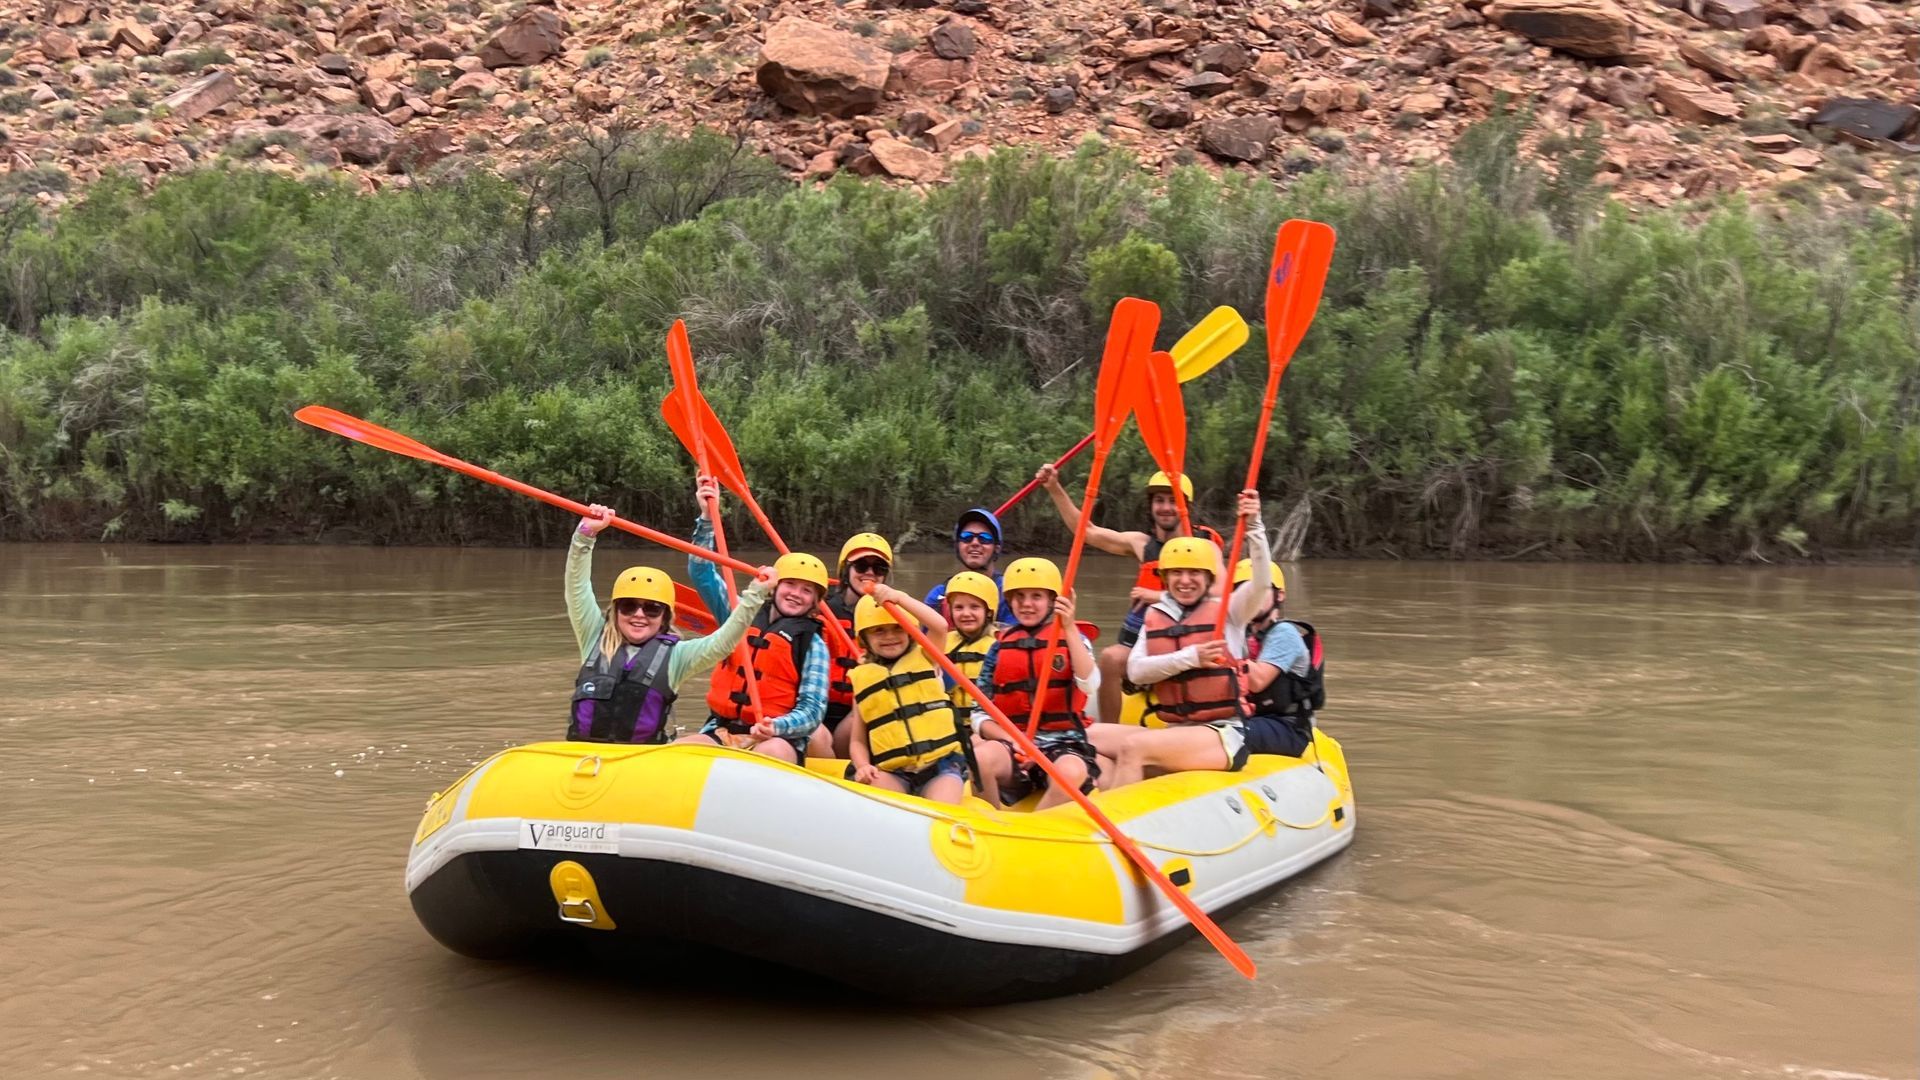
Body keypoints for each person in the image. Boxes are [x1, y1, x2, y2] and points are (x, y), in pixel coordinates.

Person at [1089, 490, 1272, 787]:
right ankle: (1096, 803)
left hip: (1221, 735)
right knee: (1089, 736)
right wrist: (1191, 658)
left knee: (1133, 748)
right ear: (1165, 577)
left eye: (1194, 573)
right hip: (1175, 730)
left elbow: (1262, 582)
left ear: (1209, 577)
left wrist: (1255, 526)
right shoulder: (1157, 615)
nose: (1184, 581)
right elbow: (1136, 670)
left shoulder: (1231, 611)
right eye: (1176, 573)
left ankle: (1119, 822)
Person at [565, 500, 777, 744]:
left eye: (652, 609)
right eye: (629, 606)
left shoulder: (677, 656)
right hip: (582, 754)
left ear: (665, 616)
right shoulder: (593, 636)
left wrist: (756, 593)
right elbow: (576, 588)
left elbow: (724, 641)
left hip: (642, 759)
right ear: (615, 611)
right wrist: (585, 535)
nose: (639, 614)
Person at [1032, 466, 1220, 725]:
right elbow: (1087, 531)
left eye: (1173, 501)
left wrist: (1160, 596)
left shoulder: (1206, 546)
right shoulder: (1141, 543)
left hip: (1193, 641)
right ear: (1151, 506)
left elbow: (1223, 591)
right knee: (1110, 658)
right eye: (1159, 501)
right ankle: (1111, 731)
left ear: (1185, 506)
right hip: (1150, 643)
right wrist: (1054, 488)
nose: (1165, 507)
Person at [674, 477, 832, 763]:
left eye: (806, 590)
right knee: (677, 752)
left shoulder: (814, 644)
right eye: (790, 585)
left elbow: (812, 711)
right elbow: (701, 572)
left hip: (776, 738)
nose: (796, 594)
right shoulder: (740, 612)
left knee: (768, 755)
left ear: (815, 601)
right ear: (775, 586)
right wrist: (708, 516)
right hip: (722, 730)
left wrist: (776, 726)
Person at [968, 557, 1102, 810]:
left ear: (1053, 600)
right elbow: (978, 712)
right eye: (1019, 596)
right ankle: (991, 824)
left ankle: (1030, 830)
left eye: (1036, 596)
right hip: (1014, 745)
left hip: (1062, 744)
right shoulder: (999, 648)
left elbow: (1090, 685)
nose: (1027, 604)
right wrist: (1013, 739)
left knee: (1071, 773)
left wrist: (1070, 627)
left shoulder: (1074, 639)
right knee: (978, 758)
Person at [844, 587, 969, 804]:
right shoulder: (863, 678)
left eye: (897, 628)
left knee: (942, 809)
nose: (890, 636)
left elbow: (940, 626)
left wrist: (900, 598)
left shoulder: (926, 655)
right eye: (879, 630)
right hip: (895, 773)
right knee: (873, 790)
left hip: (939, 767)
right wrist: (863, 765)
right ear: (864, 637)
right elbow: (857, 741)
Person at [816, 531, 894, 756]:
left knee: (859, 720)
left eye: (878, 568)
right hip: (819, 709)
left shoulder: (893, 618)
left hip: (858, 713)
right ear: (845, 571)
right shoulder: (820, 609)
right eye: (861, 566)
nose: (870, 573)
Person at [1237, 559, 1324, 759]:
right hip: (1254, 718)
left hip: (1288, 728)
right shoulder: (1242, 635)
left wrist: (1220, 648)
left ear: (1280, 595)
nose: (1252, 596)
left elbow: (1258, 681)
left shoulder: (1284, 633)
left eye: (1260, 589)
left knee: (1224, 734)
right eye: (1244, 590)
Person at [921, 508, 1014, 625]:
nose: (975, 543)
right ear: (957, 546)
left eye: (985, 538)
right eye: (967, 537)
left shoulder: (1010, 593)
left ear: (996, 548)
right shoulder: (938, 596)